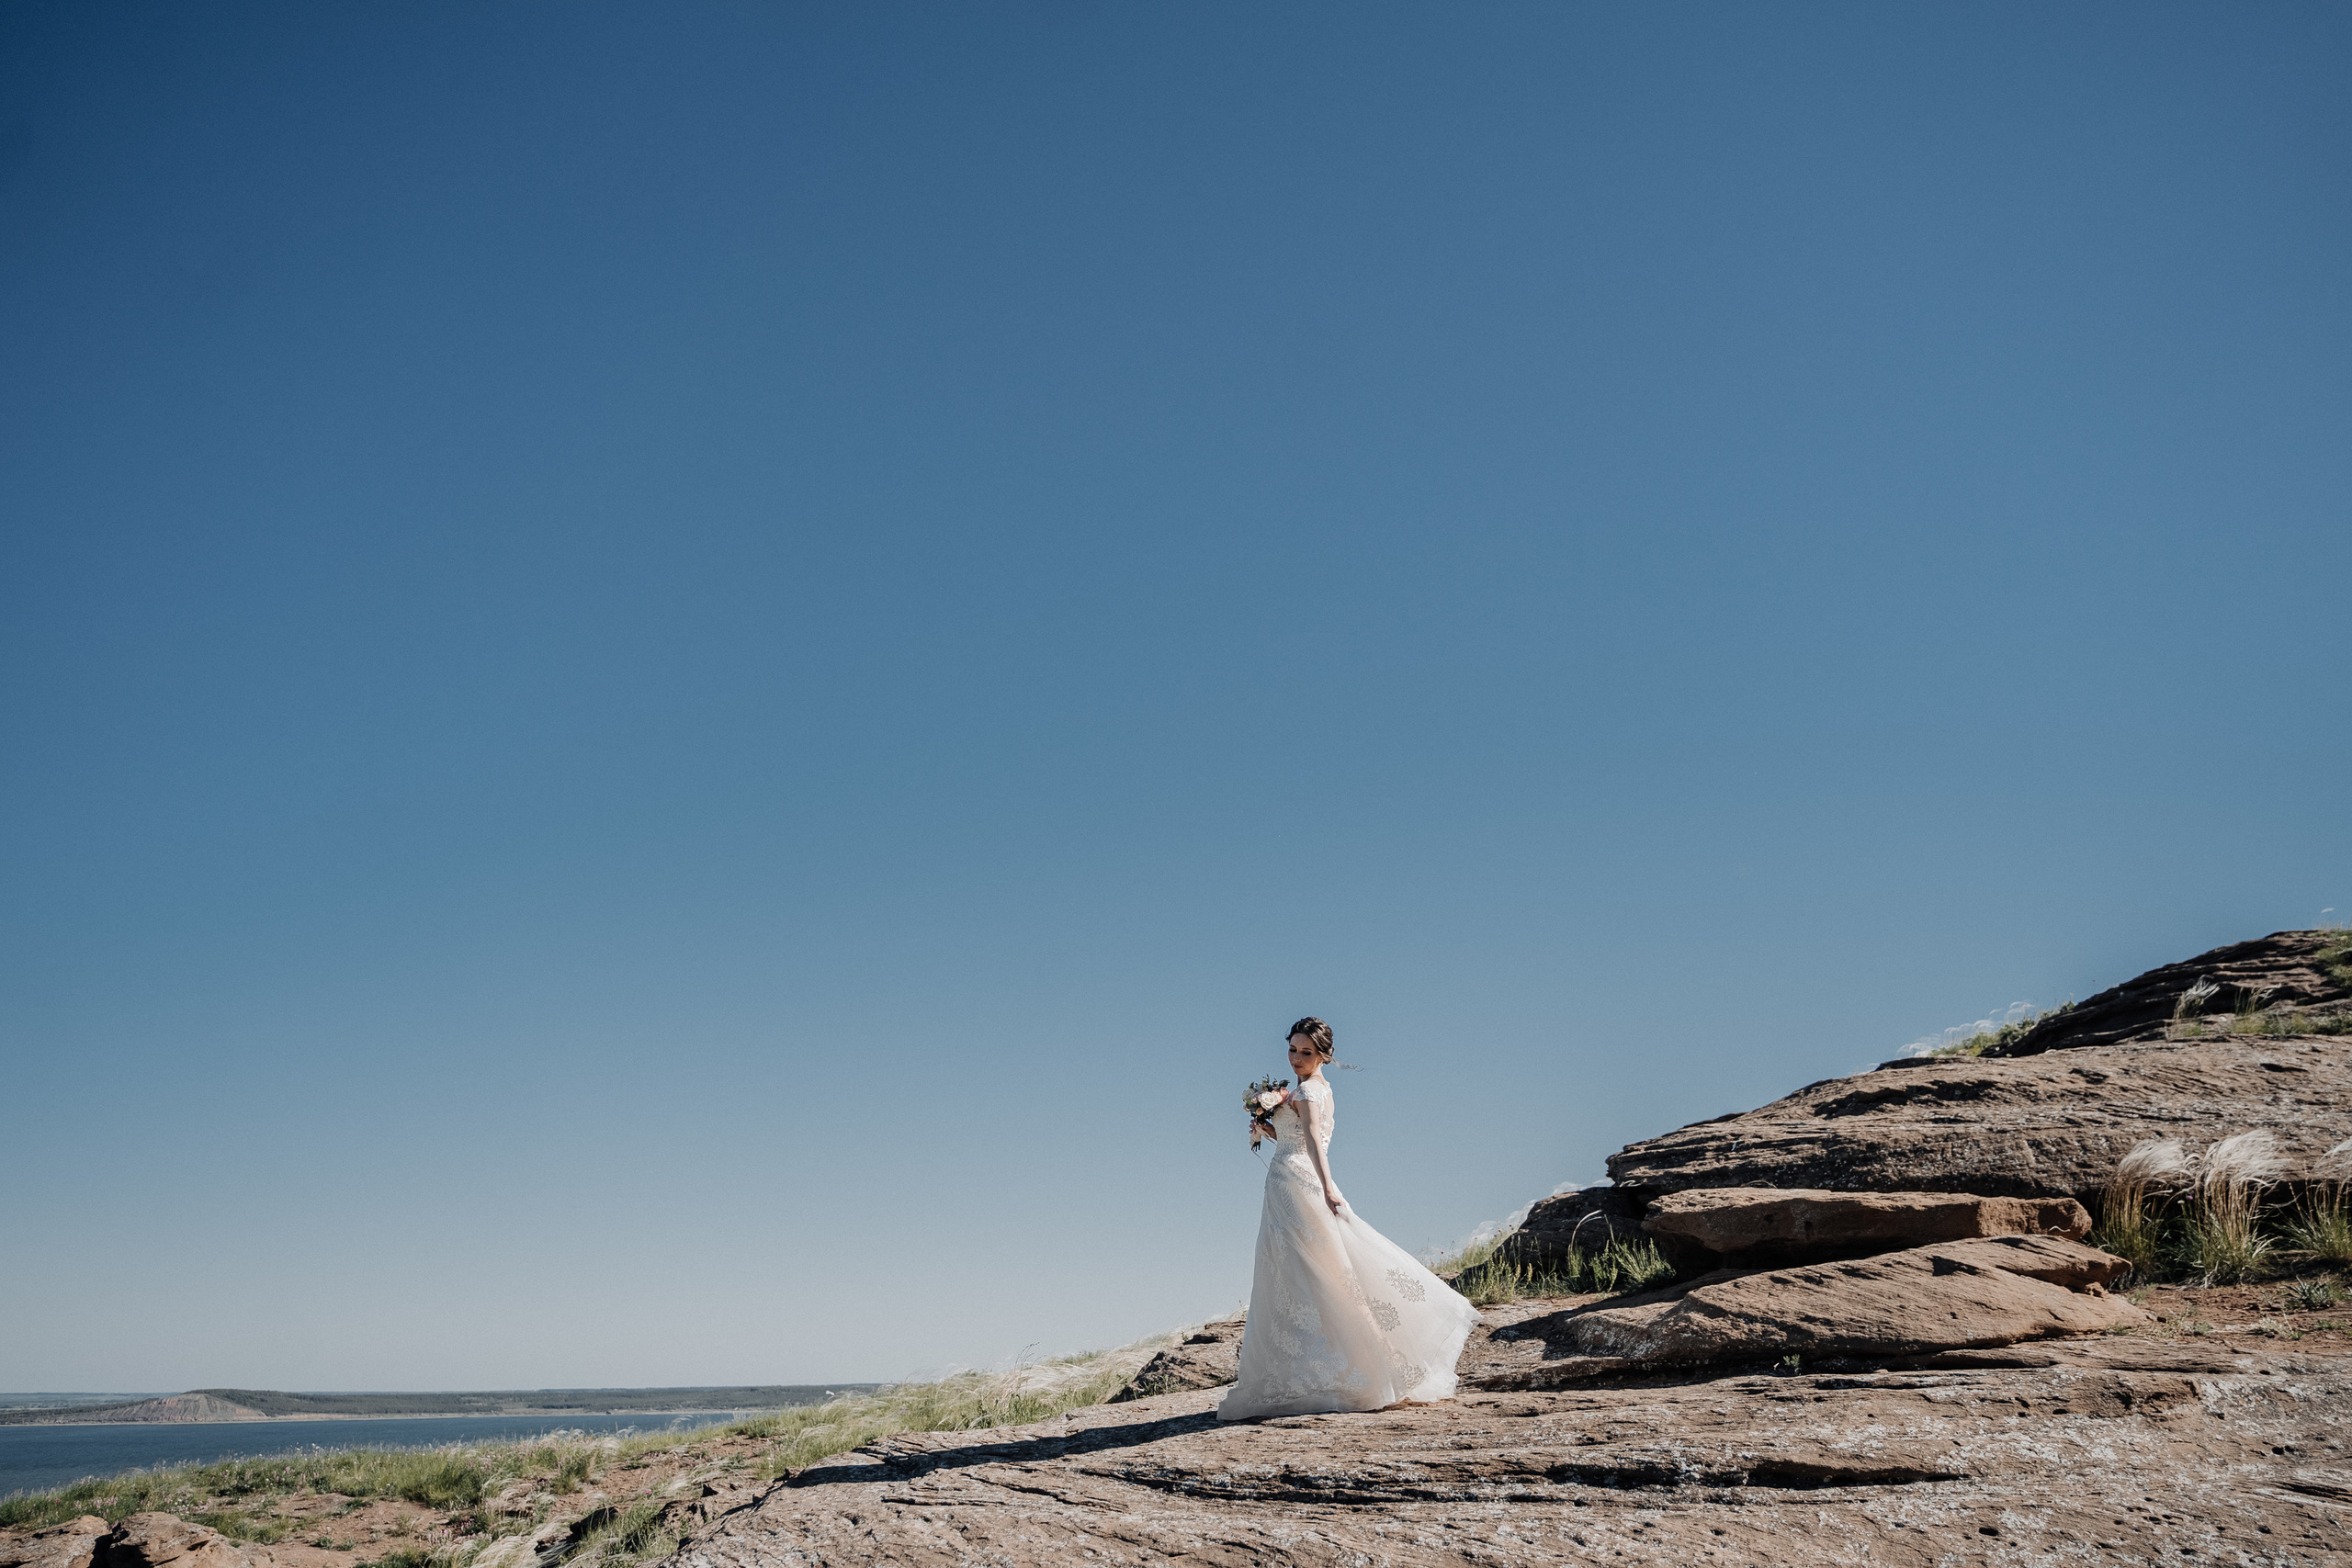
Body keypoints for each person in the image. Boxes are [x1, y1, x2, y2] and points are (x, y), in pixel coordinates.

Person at [1216, 1016, 1482, 1422]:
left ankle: (1335, 1370)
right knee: (1318, 1270)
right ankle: (1343, 1365)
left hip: (1296, 1181)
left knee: (1308, 1272)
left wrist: (1328, 1187)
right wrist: (1268, 1130)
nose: (1297, 1059)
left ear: (1324, 1054)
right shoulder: (1322, 1089)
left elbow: (1312, 1145)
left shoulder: (1306, 1091)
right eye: (1292, 1049)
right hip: (1291, 1178)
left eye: (1307, 1052)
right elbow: (1304, 1137)